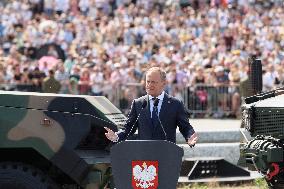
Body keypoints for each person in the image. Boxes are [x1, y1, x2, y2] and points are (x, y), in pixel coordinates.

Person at [105, 67, 198, 146]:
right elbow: (129, 128)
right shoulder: (138, 103)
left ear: (163, 83)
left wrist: (190, 137)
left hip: (167, 155)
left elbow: (185, 127)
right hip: (144, 157)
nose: (149, 85)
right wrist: (116, 136)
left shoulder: (175, 104)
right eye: (147, 81)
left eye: (153, 82)